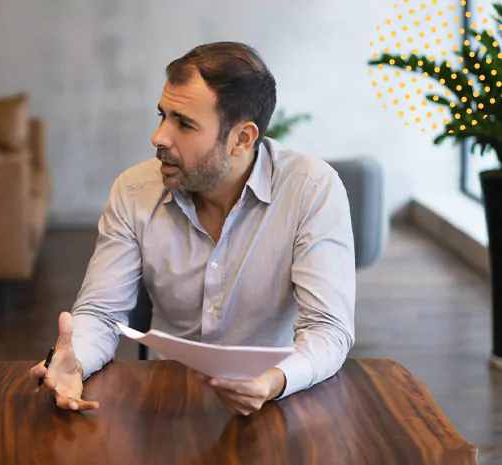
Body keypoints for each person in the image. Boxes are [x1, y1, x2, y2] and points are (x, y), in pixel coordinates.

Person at [31, 42, 356, 416]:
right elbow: (101, 313)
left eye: (184, 123)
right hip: (164, 399)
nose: (159, 137)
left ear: (242, 139)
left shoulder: (311, 189)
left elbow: (328, 329)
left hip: (277, 396)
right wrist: (76, 362)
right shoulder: (134, 190)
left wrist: (274, 381)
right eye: (162, 115)